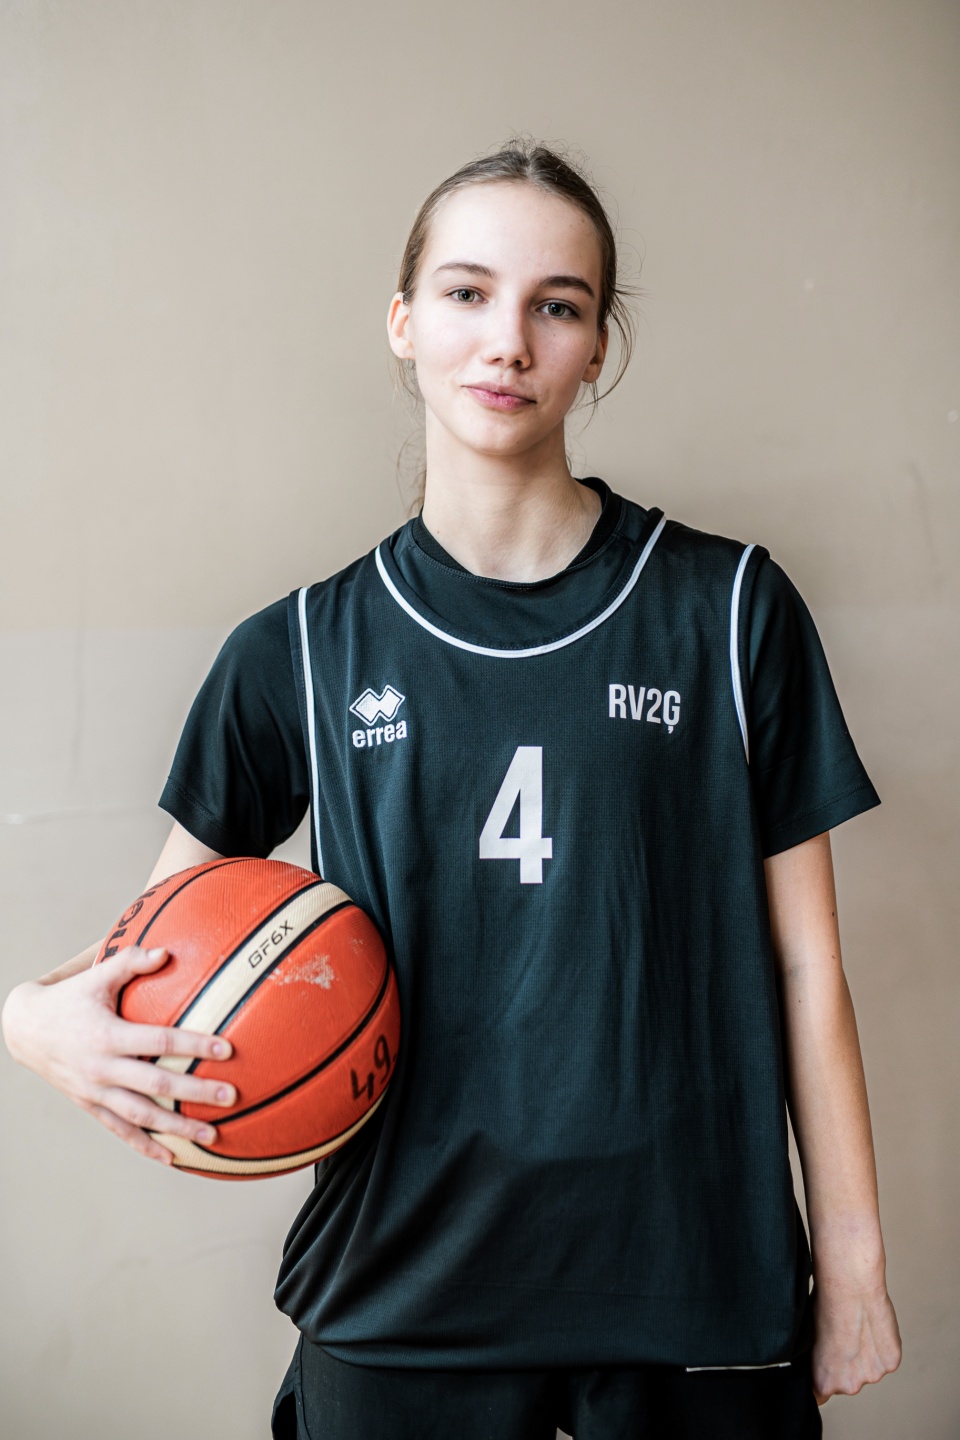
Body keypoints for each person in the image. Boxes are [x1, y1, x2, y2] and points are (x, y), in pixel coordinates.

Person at [2, 141, 901, 1439]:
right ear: (403, 321)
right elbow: (153, 961)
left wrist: (855, 1261)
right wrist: (28, 1021)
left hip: (695, 1287)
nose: (508, 341)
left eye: (557, 305)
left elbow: (810, 966)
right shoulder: (298, 650)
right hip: (402, 1294)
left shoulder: (729, 609)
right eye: (468, 293)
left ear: (598, 348)